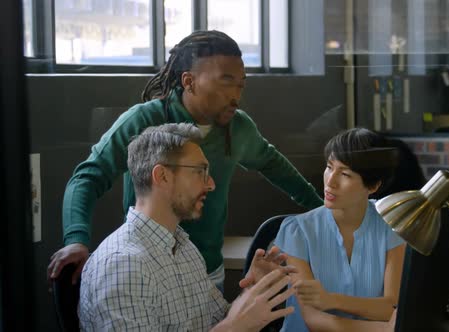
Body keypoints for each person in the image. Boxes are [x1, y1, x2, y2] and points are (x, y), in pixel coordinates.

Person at [48, 30, 323, 289]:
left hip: (208, 272)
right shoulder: (143, 121)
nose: (236, 95)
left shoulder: (238, 129)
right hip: (148, 270)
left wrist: (324, 211)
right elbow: (88, 176)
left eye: (241, 84)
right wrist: (76, 239)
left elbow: (275, 166)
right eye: (226, 82)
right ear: (189, 82)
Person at [79, 123, 296, 331]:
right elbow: (230, 328)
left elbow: (221, 321)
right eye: (200, 171)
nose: (210, 184)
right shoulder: (123, 266)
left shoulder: (184, 248)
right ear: (162, 176)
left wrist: (251, 291)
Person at [274, 128, 406, 331]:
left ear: (372, 186)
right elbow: (313, 319)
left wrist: (332, 300)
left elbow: (391, 306)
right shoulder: (298, 231)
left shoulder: (390, 225)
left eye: (345, 173)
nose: (330, 181)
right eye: (329, 167)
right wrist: (384, 329)